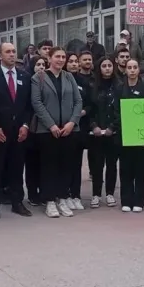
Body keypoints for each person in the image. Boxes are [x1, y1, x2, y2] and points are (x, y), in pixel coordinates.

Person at [31, 47, 83, 218]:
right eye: (57, 57)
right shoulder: (38, 77)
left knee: (65, 165)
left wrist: (71, 122)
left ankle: (62, 197)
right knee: (49, 166)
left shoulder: (69, 77)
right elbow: (37, 103)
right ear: (50, 58)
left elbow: (78, 101)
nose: (60, 60)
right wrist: (51, 125)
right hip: (47, 131)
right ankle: (50, 201)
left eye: (63, 57)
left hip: (68, 129)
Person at [0, 43, 33, 219]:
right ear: (0, 56)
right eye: (8, 52)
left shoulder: (25, 76)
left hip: (20, 130)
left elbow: (29, 105)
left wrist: (26, 125)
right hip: (0, 131)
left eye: (13, 51)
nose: (12, 55)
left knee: (17, 167)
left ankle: (17, 202)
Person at [117, 58, 144, 212]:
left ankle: (139, 200)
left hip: (141, 136)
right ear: (125, 70)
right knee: (125, 169)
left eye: (135, 67)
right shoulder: (120, 88)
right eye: (129, 67)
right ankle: (126, 200)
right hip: (124, 135)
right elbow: (115, 111)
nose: (132, 70)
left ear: (139, 70)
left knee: (140, 169)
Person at [88, 56, 120, 208]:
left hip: (112, 133)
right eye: (104, 66)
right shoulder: (93, 86)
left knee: (112, 165)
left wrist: (112, 127)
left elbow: (121, 110)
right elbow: (89, 109)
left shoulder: (119, 86)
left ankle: (110, 193)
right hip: (96, 135)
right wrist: (93, 126)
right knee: (97, 165)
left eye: (109, 65)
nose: (107, 68)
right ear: (99, 68)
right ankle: (95, 194)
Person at [64, 52, 90, 211]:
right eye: (70, 61)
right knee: (64, 164)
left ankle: (76, 195)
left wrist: (84, 111)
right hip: (64, 128)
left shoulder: (83, 81)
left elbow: (90, 103)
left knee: (76, 164)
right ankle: (64, 195)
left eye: (75, 61)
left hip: (79, 128)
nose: (74, 64)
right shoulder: (62, 79)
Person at [25, 55, 49, 206]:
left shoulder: (49, 81)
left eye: (43, 64)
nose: (41, 67)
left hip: (46, 128)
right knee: (32, 163)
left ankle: (44, 192)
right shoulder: (29, 81)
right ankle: (33, 194)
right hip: (32, 128)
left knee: (44, 163)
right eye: (38, 64)